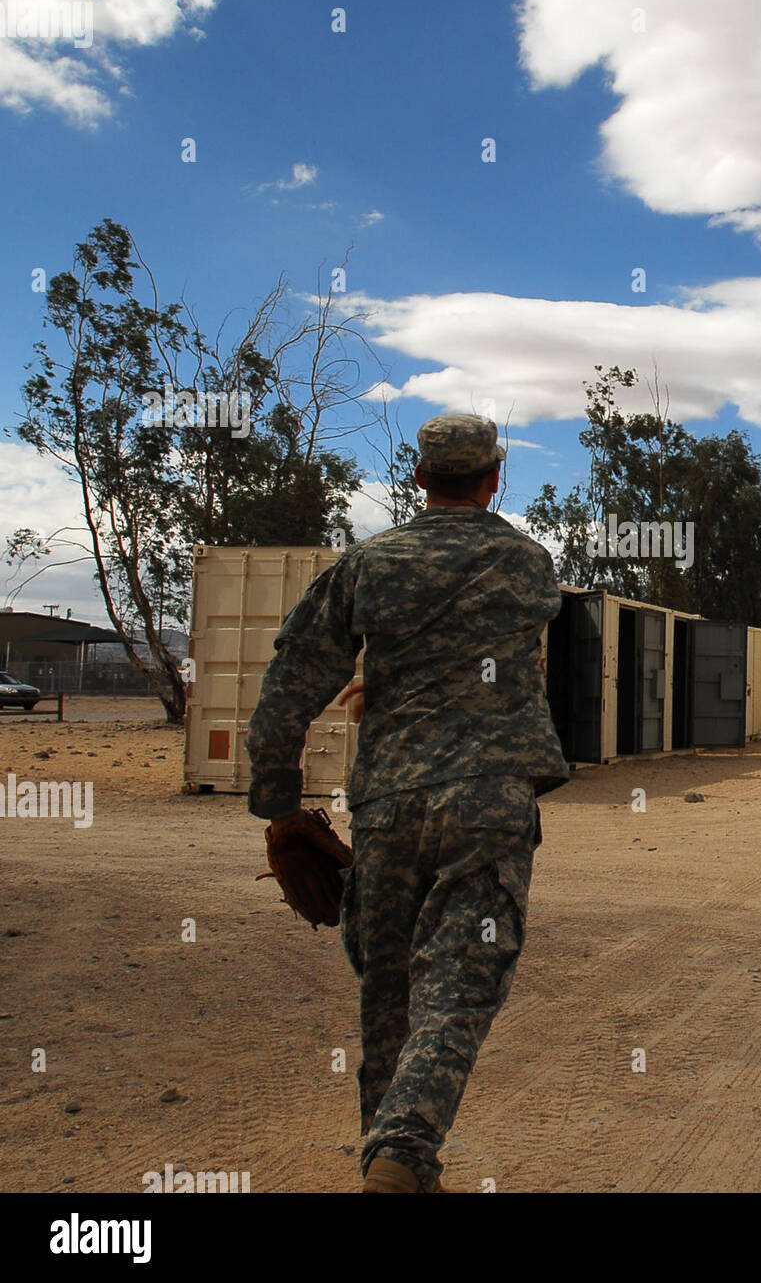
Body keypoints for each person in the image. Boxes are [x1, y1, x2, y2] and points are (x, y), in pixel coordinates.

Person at [246, 413, 568, 1193]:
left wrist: (280, 805)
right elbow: (494, 657)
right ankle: (402, 1148)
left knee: (387, 994)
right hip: (487, 805)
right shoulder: (526, 565)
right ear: (495, 477)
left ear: (417, 479)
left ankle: (388, 1164)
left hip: (388, 805)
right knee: (459, 983)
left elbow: (288, 687)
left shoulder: (367, 564)